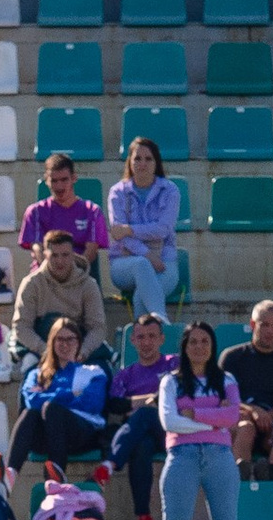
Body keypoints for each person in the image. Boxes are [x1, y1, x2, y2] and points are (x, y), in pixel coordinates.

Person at [156, 322, 243, 520]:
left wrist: (194, 413)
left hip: (220, 458)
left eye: (205, 341)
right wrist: (216, 422)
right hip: (182, 457)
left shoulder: (227, 380)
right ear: (184, 347)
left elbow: (233, 416)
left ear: (213, 346)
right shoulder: (170, 382)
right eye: (193, 341)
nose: (199, 347)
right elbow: (170, 422)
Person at [6, 318, 109, 482]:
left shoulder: (93, 372)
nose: (65, 344)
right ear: (51, 343)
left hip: (81, 434)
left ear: (78, 343)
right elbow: (33, 401)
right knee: (30, 413)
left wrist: (50, 396)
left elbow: (92, 404)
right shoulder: (36, 374)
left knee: (52, 409)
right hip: (47, 435)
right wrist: (72, 394)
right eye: (59, 339)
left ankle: (56, 479)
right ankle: (9, 476)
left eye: (70, 339)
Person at [104, 312, 172, 520]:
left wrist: (140, 403)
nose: (146, 342)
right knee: (141, 446)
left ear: (162, 339)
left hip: (171, 429)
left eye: (152, 336)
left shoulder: (174, 364)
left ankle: (111, 464)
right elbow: (115, 404)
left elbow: (180, 393)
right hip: (145, 434)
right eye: (141, 337)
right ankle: (143, 517)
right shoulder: (125, 375)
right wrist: (149, 399)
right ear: (132, 341)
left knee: (143, 414)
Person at [222, 298, 273, 487]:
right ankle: (240, 472)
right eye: (264, 324)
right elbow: (222, 399)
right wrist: (253, 412)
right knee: (245, 427)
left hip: (271, 425)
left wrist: (265, 416)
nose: (270, 331)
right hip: (239, 420)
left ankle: (271, 474)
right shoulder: (232, 357)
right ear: (252, 325)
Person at [106, 135, 179, 325]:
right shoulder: (117, 192)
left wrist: (129, 229)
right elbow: (117, 234)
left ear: (156, 163)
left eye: (148, 159)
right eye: (137, 158)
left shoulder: (171, 190)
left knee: (141, 297)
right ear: (129, 162)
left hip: (165, 262)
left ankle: (145, 344)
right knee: (140, 265)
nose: (142, 163)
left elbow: (163, 229)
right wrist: (147, 255)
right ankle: (162, 322)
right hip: (124, 263)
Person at [10, 225, 106, 357]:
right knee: (29, 370)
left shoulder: (89, 285)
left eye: (65, 255)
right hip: (41, 349)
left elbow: (97, 328)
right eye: (54, 255)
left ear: (73, 255)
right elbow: (21, 327)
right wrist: (47, 352)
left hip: (80, 349)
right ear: (45, 255)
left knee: (102, 374)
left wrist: (82, 352)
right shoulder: (31, 284)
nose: (60, 261)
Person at [19, 151, 107, 281]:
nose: (59, 186)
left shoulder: (92, 211)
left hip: (80, 276)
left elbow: (91, 251)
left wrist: (70, 274)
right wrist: (55, 273)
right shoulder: (35, 212)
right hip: (45, 277)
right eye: (54, 181)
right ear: (47, 181)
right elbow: (37, 248)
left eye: (64, 179)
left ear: (74, 178)